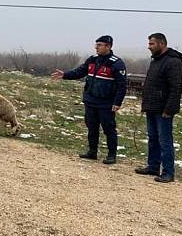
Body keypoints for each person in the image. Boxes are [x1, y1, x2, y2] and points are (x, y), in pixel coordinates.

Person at [51, 35, 127, 164]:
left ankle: (112, 155)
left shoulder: (116, 63)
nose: (96, 47)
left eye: (99, 45)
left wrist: (117, 102)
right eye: (96, 45)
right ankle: (92, 152)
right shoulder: (92, 60)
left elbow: (122, 85)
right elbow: (79, 72)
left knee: (109, 129)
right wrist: (65, 75)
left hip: (106, 103)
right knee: (91, 127)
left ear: (108, 46)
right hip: (90, 100)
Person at [135, 33, 182, 183]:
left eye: (152, 44)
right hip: (152, 107)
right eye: (149, 44)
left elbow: (176, 88)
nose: (149, 47)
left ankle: (168, 172)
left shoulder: (173, 62)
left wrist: (169, 110)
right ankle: (153, 166)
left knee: (165, 141)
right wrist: (145, 105)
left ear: (162, 44)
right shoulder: (155, 61)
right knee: (153, 138)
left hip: (164, 110)